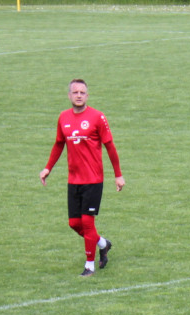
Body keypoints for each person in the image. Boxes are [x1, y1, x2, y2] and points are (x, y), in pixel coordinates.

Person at [39, 79, 125, 277]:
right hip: (73, 180)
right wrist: (48, 168)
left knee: (87, 222)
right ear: (69, 95)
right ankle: (103, 244)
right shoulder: (63, 118)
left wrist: (118, 175)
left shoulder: (97, 117)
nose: (79, 95)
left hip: (93, 180)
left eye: (82, 92)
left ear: (87, 96)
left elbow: (110, 146)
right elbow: (59, 144)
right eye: (75, 92)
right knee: (74, 223)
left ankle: (90, 265)